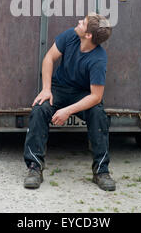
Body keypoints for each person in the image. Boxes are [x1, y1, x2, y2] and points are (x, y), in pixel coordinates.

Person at [23, 12, 116, 191]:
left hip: (83, 94)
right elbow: (49, 58)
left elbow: (96, 96)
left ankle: (101, 171)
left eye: (83, 23)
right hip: (58, 88)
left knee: (98, 114)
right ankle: (34, 168)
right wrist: (46, 89)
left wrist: (68, 111)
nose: (79, 22)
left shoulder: (98, 59)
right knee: (39, 109)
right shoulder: (70, 36)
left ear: (88, 35)